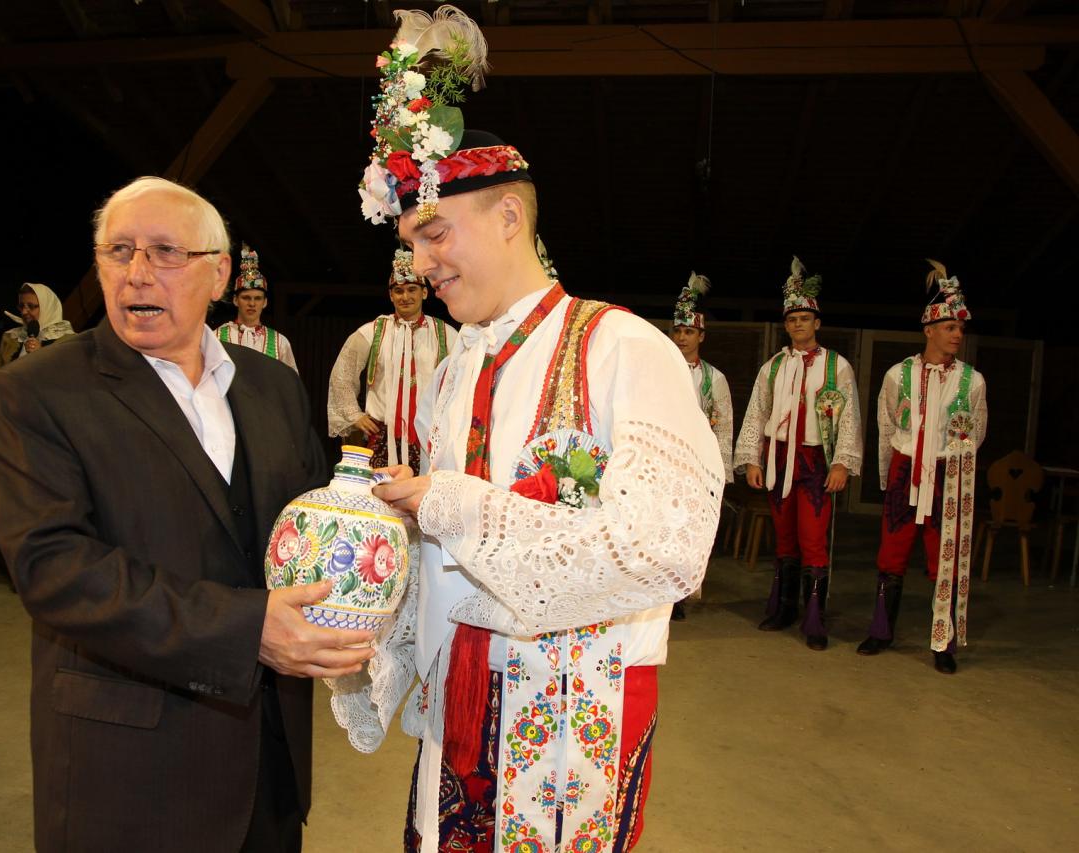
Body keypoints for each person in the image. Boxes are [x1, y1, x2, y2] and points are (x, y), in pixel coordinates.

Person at [331, 11, 724, 853]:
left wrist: (459, 507)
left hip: (568, 730)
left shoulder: (622, 348)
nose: (420, 264)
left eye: (435, 233)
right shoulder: (453, 371)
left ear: (510, 215)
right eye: (409, 242)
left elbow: (668, 549)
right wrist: (372, 584)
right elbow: (440, 555)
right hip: (456, 717)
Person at [0, 176, 374, 852]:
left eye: (165, 251)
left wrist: (375, 505)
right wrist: (247, 630)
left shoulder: (273, 385)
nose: (137, 273)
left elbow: (307, 520)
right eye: (119, 251)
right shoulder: (37, 391)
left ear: (219, 274)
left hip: (269, 768)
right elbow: (53, 568)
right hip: (130, 774)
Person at [857, 261, 986, 674]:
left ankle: (943, 643)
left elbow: (976, 432)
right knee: (891, 552)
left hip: (947, 474)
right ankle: (881, 631)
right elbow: (887, 424)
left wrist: (951, 464)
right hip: (906, 469)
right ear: (929, 329)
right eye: (949, 327)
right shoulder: (899, 375)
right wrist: (889, 473)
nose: (957, 335)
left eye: (960, 328)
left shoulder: (972, 381)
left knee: (943, 558)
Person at [734, 257, 863, 651]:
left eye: (805, 319)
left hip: (814, 462)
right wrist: (752, 459)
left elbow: (849, 417)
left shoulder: (837, 367)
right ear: (786, 325)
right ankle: (783, 608)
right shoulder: (772, 367)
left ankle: (815, 619)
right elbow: (757, 412)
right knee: (785, 538)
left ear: (817, 323)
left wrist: (841, 463)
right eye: (792, 320)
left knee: (813, 539)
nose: (798, 325)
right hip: (778, 458)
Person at [327, 248, 456, 471]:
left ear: (425, 293)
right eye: (398, 291)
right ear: (391, 295)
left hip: (428, 436)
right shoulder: (372, 331)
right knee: (379, 490)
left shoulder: (446, 334)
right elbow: (342, 375)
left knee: (425, 490)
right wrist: (354, 415)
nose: (405, 297)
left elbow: (462, 381)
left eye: (412, 289)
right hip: (381, 437)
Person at [0, 283, 74, 507]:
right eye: (21, 306)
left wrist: (41, 355)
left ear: (46, 306)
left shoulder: (67, 341)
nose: (25, 311)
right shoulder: (11, 338)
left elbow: (69, 383)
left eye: (32, 306)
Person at [668, 271, 733, 621]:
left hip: (695, 465)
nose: (682, 337)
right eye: (678, 330)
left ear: (701, 336)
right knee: (663, 526)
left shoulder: (714, 378)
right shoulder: (660, 370)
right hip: (665, 461)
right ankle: (662, 595)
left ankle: (681, 592)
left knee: (688, 529)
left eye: (689, 331)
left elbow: (723, 426)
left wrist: (718, 472)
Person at [216, 244, 298, 371]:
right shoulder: (217, 336)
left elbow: (290, 381)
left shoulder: (280, 343)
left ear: (265, 302)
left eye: (258, 298)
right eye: (246, 297)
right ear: (235, 300)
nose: (252, 303)